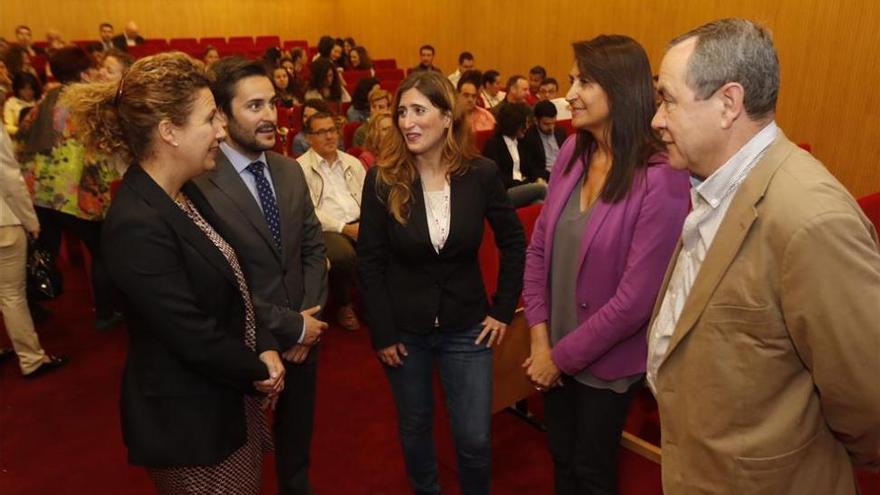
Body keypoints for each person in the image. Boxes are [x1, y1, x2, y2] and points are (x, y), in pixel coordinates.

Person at [648, 18, 880, 494]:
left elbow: (869, 400)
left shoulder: (810, 220)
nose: (656, 119)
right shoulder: (712, 185)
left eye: (667, 99)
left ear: (728, 104)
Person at [62, 51, 285, 494]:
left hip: (224, 397)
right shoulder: (136, 225)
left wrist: (265, 344)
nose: (222, 131)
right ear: (169, 132)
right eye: (210, 120)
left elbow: (234, 284)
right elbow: (190, 333)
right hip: (191, 425)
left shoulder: (182, 192)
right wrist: (259, 367)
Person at [522, 35, 690, 495]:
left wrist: (557, 358)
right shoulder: (573, 152)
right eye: (572, 78)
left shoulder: (662, 176)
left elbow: (636, 301)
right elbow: (537, 249)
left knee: (592, 471)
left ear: (619, 90)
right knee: (561, 457)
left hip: (607, 364)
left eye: (584, 81)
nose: (569, 93)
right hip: (551, 349)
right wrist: (540, 339)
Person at [357, 70, 525, 495]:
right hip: (405, 331)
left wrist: (503, 308)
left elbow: (514, 242)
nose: (407, 121)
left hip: (467, 326)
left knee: (474, 437)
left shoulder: (481, 174)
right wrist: (382, 331)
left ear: (447, 117)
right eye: (401, 112)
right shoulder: (382, 179)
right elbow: (370, 262)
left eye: (419, 110)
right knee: (415, 429)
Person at [195, 57, 328, 495]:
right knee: (238, 461)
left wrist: (308, 322)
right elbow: (219, 283)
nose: (270, 115)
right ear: (222, 116)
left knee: (297, 445)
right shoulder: (199, 185)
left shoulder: (290, 170)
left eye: (272, 103)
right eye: (254, 106)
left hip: (305, 336)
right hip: (243, 342)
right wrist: (291, 326)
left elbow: (313, 248)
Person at [18, 46, 123, 331]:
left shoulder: (46, 99)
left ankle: (31, 306)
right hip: (75, 191)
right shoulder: (84, 99)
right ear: (84, 71)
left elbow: (24, 130)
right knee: (102, 251)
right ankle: (105, 313)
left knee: (45, 250)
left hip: (39, 189)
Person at [0, 125, 68, 378]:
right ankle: (31, 359)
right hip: (3, 221)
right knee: (11, 296)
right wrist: (30, 221)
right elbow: (9, 179)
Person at [297, 112, 365, 331]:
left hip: (359, 221)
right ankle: (344, 304)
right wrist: (345, 228)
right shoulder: (299, 168)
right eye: (321, 132)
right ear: (308, 137)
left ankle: (379, 301)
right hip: (327, 229)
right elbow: (308, 212)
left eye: (332, 130)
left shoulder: (352, 162)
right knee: (344, 255)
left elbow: (369, 197)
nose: (329, 137)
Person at [482, 102, 547, 207]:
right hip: (504, 193)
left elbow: (530, 168)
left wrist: (538, 177)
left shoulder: (521, 142)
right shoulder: (494, 145)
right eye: (524, 124)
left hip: (523, 187)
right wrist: (526, 184)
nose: (527, 127)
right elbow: (497, 178)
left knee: (540, 204)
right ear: (514, 124)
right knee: (541, 189)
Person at [521, 100, 567, 177]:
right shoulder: (528, 137)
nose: (551, 127)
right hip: (545, 178)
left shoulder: (560, 132)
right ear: (536, 121)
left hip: (564, 174)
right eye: (547, 124)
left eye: (553, 123)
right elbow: (529, 168)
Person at [3, 71, 40, 137]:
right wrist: (20, 130)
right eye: (23, 89)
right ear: (17, 89)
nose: (28, 92)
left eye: (31, 88)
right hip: (20, 139)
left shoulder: (40, 101)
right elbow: (7, 126)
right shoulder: (11, 103)